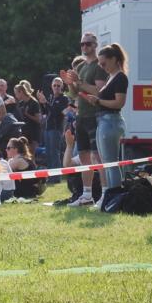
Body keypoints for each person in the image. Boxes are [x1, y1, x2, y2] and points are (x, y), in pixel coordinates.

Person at [60, 32, 109, 206]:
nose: (85, 47)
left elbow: (99, 91)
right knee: (83, 157)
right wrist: (69, 82)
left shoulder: (99, 66)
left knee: (98, 156)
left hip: (95, 116)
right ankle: (86, 195)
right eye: (82, 44)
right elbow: (74, 94)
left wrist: (78, 82)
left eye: (88, 44)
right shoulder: (80, 66)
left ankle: (104, 194)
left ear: (96, 45)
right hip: (81, 116)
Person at [82, 43, 129, 207]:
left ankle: (114, 197)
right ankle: (110, 196)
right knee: (107, 162)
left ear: (114, 59)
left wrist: (99, 100)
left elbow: (119, 102)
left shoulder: (120, 77)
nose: (102, 67)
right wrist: (95, 100)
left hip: (111, 121)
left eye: (104, 63)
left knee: (111, 163)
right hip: (104, 120)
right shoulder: (111, 78)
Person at [40, 77, 70, 183]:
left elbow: (56, 112)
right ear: (51, 86)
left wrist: (46, 103)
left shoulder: (64, 98)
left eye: (58, 85)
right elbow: (47, 112)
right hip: (48, 128)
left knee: (55, 152)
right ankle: (51, 175)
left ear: (62, 86)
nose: (56, 87)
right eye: (54, 85)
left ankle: (56, 176)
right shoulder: (51, 97)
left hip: (56, 128)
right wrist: (43, 103)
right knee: (48, 153)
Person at [13, 80, 42, 157]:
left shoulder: (34, 102)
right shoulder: (21, 103)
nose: (15, 96)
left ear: (21, 92)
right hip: (24, 132)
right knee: (25, 155)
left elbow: (38, 119)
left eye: (16, 93)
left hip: (34, 132)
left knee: (31, 155)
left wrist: (27, 114)